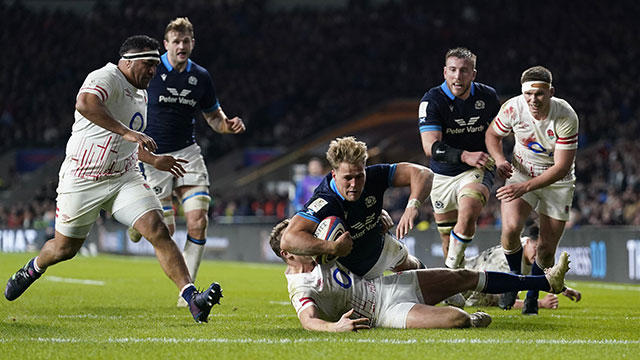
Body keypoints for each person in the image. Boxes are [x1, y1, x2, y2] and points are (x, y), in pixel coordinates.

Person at [3, 35, 221, 323]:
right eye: (148, 65)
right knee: (63, 249)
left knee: (158, 229)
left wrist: (154, 159)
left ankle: (192, 297)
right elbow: (85, 104)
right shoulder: (106, 76)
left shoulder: (141, 93)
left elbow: (130, 143)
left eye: (155, 66)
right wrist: (126, 132)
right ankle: (33, 268)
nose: (153, 72)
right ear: (128, 63)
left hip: (123, 177)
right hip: (83, 177)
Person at [127, 18, 245, 307]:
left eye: (186, 41)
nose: (181, 46)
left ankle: (188, 294)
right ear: (166, 44)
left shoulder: (201, 77)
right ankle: (135, 221)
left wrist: (227, 125)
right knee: (165, 231)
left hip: (188, 153)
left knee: (198, 222)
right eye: (176, 41)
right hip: (154, 156)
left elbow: (213, 117)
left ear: (193, 43)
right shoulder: (151, 72)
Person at [270, 219, 571, 332]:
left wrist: (376, 223)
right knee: (457, 319)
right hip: (386, 312)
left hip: (387, 285)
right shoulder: (300, 284)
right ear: (287, 252)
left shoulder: (324, 248)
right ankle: (472, 317)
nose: (304, 238)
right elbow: (308, 320)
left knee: (464, 275)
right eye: (295, 239)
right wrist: (335, 328)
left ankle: (546, 281)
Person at [485, 65, 579, 315]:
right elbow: (492, 135)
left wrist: (523, 187)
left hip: (557, 183)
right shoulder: (513, 108)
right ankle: (514, 279)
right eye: (528, 94)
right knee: (511, 229)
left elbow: (561, 167)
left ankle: (532, 296)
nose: (533, 100)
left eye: (539, 94)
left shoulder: (565, 115)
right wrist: (500, 159)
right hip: (521, 172)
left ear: (550, 92)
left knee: (547, 251)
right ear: (522, 92)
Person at [281, 136, 431, 280]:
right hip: (349, 273)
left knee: (415, 269)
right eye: (347, 178)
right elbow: (288, 240)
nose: (354, 184)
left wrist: (412, 206)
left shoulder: (374, 175)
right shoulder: (324, 200)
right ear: (334, 175)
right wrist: (331, 247)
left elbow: (424, 174)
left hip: (380, 246)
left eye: (359, 177)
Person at [418, 47, 500, 270]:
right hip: (442, 174)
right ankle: (458, 286)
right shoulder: (432, 100)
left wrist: (500, 159)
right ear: (445, 72)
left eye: (464, 71)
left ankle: (450, 271)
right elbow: (430, 147)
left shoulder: (488, 96)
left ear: (473, 74)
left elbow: (497, 134)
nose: (457, 76)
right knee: (447, 238)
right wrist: (465, 155)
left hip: (478, 167)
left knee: (469, 210)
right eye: (453, 70)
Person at [463, 223, 581, 309]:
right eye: (536, 248)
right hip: (463, 290)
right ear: (528, 242)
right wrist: (541, 303)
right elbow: (506, 300)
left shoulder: (525, 247)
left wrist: (563, 289)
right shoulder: (507, 261)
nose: (538, 254)